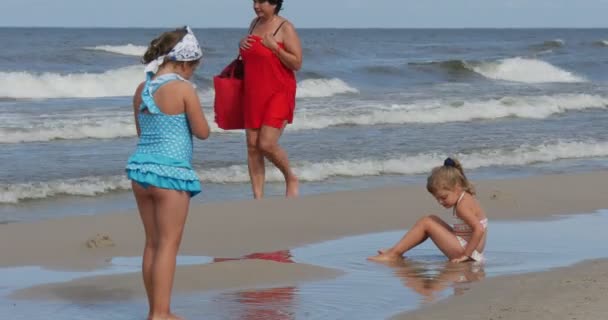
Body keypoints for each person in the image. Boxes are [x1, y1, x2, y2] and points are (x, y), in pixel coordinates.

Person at [126, 26, 210, 320]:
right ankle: (161, 313)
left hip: (140, 171)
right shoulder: (183, 89)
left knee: (151, 243)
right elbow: (202, 132)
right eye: (193, 68)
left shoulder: (142, 89)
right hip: (171, 174)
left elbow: (141, 133)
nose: (192, 74)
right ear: (185, 63)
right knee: (169, 245)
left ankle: (155, 310)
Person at [368, 158, 488, 263]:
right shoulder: (464, 197)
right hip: (469, 248)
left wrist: (465, 255)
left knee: (426, 222)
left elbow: (479, 229)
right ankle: (395, 251)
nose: (440, 202)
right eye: (437, 199)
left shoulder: (463, 206)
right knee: (431, 219)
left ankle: (394, 254)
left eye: (443, 197)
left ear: (457, 187)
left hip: (468, 252)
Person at [239, 0, 303, 199]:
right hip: (253, 92)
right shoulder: (253, 24)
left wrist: (275, 47)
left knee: (266, 144)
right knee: (252, 145)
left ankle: (290, 177)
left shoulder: (286, 27)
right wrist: (241, 44)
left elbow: (297, 63)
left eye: (261, 2)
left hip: (279, 92)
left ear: (274, 3)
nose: (256, 6)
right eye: (254, 1)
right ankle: (258, 197)